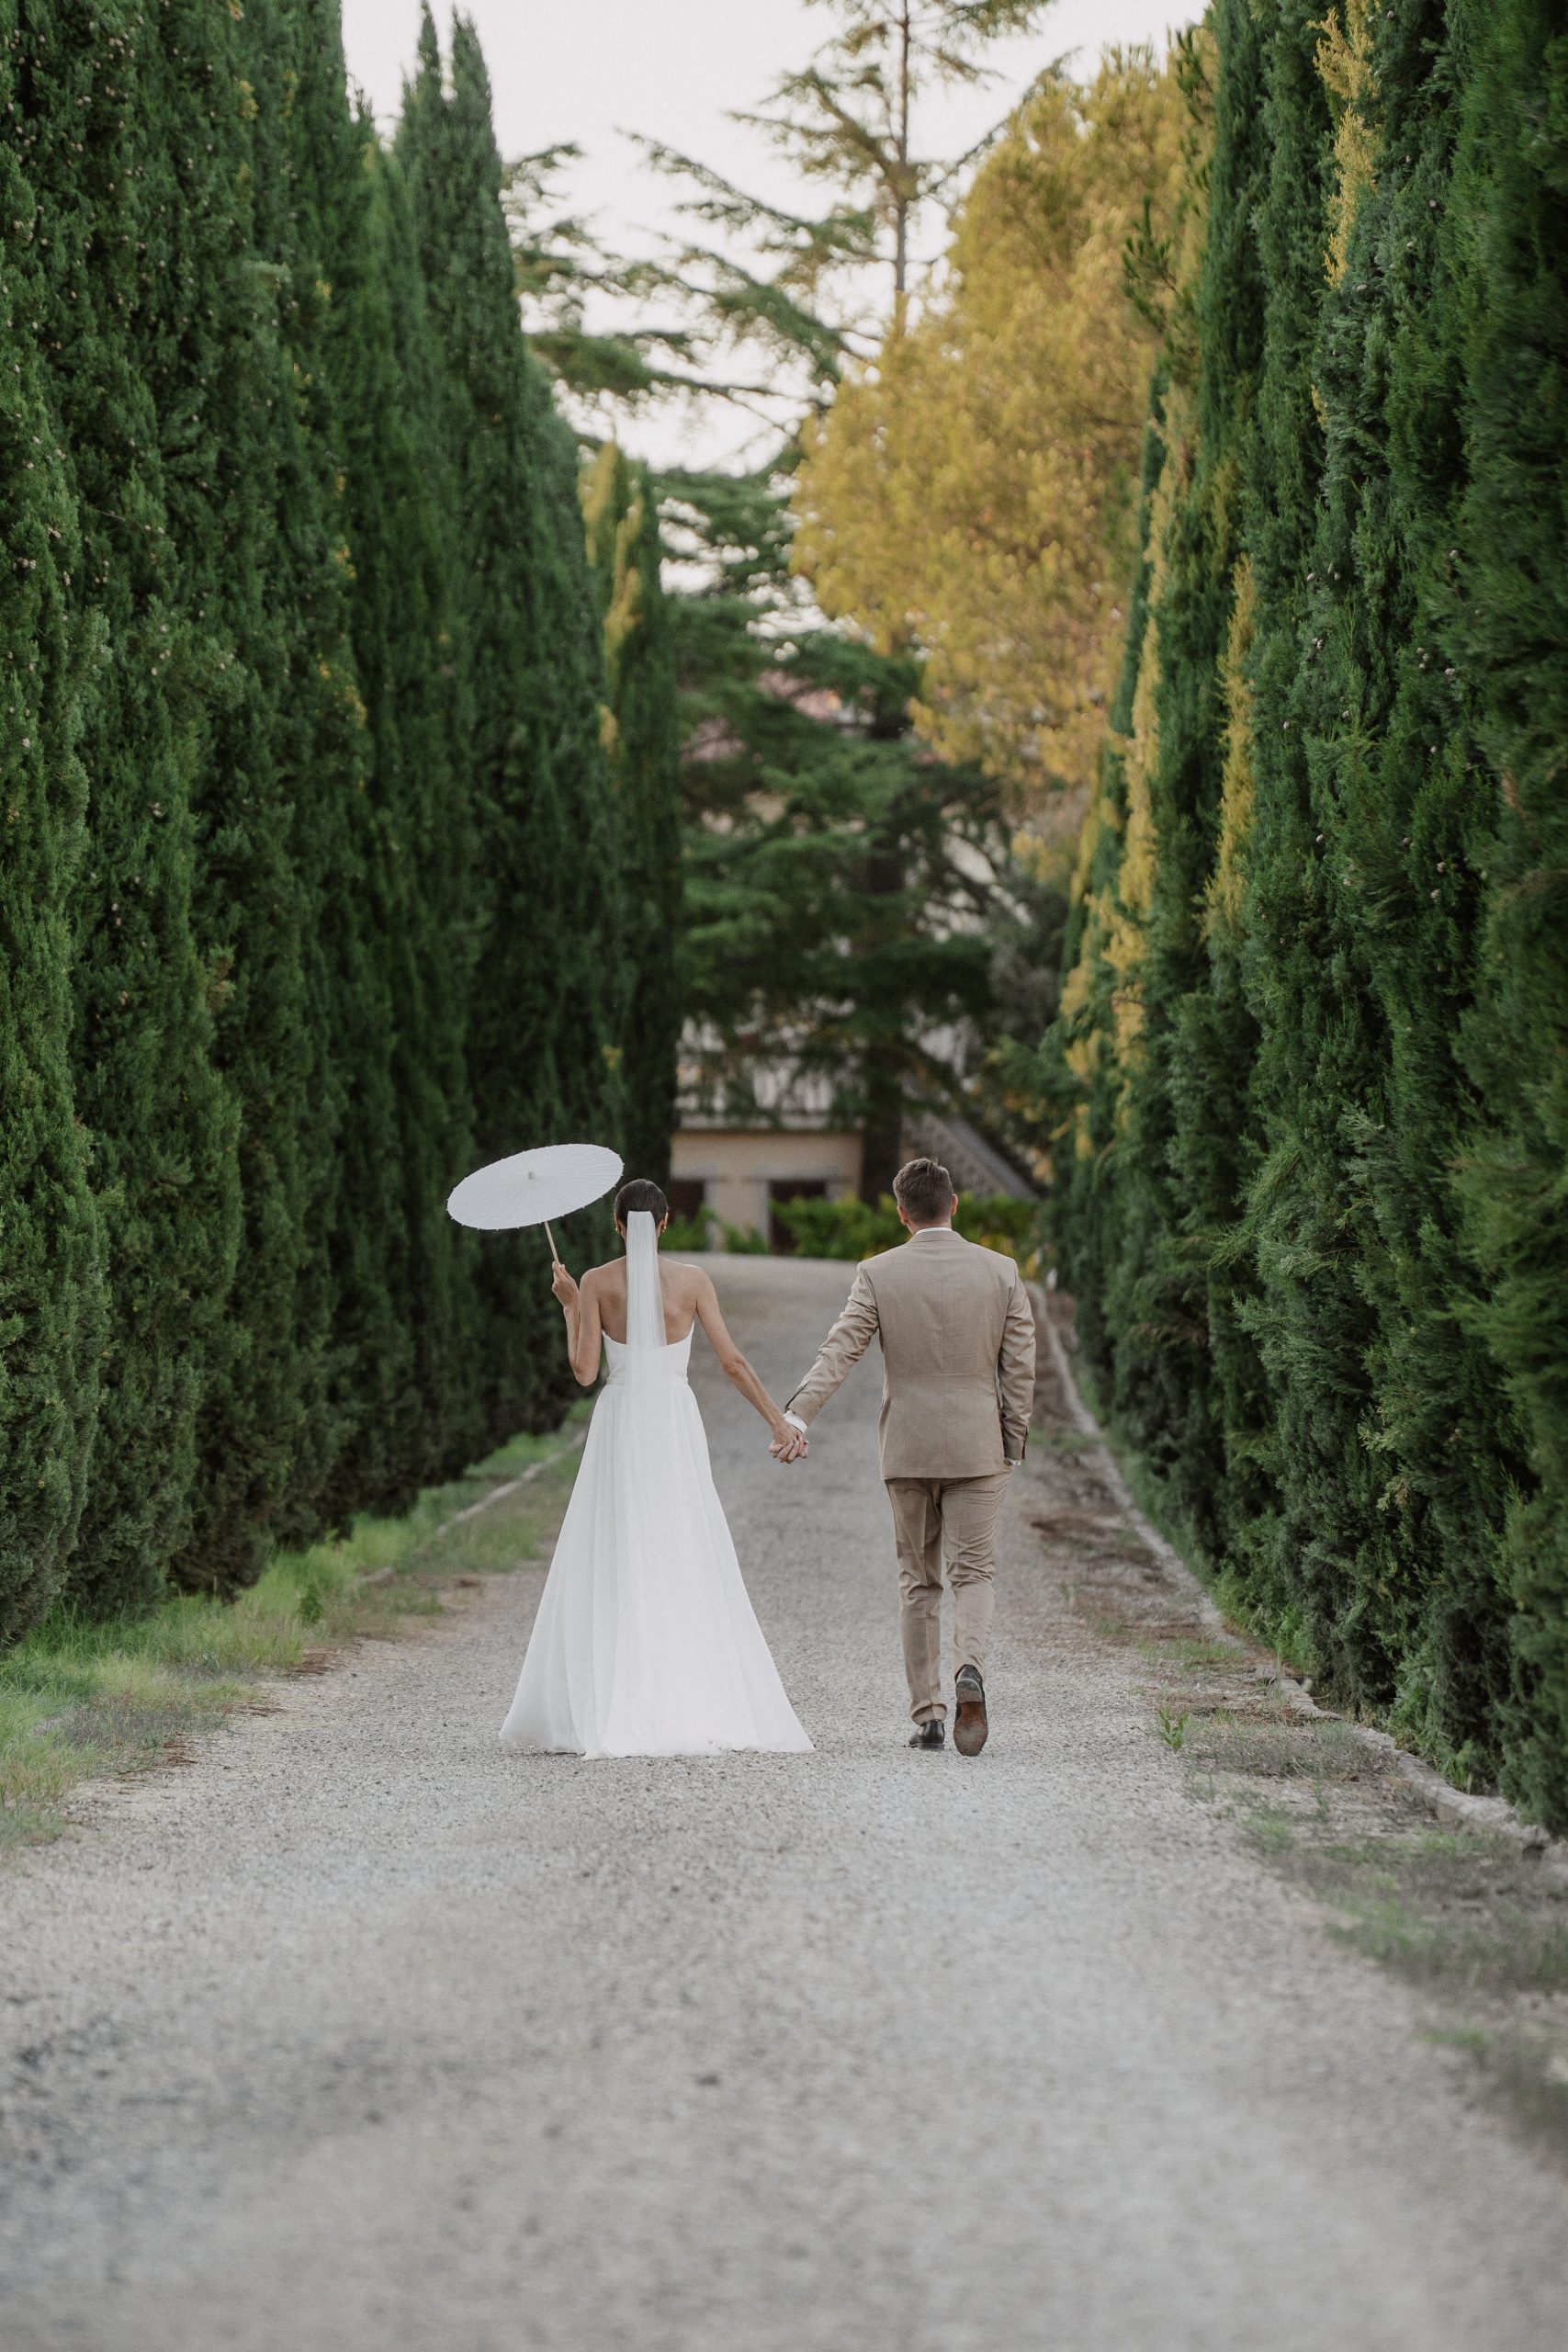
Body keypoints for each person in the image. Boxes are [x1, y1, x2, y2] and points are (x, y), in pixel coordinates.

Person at [499, 1180, 812, 1759]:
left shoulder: (594, 1283)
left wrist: (570, 1309)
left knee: (614, 1547)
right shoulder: (693, 1281)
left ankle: (611, 1693)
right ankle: (687, 1689)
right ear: (665, 1224)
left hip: (620, 1421)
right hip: (671, 1419)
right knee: (679, 1545)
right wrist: (778, 1421)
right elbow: (733, 1362)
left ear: (618, 1226)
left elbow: (585, 1372)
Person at [774, 1157, 1035, 1756]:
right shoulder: (1000, 1272)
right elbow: (1019, 1366)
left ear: (901, 1213)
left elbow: (839, 1350)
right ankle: (968, 1669)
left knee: (918, 1582)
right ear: (954, 1205)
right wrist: (1011, 1440)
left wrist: (796, 1415)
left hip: (908, 1448)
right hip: (978, 1446)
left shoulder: (878, 1272)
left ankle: (929, 1717)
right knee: (973, 1573)